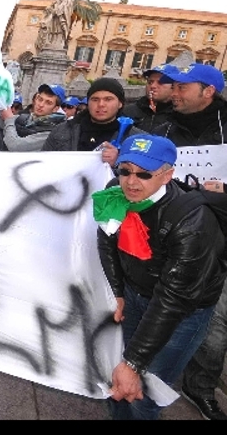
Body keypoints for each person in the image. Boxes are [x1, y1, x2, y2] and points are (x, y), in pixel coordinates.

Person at [93, 134, 227, 420]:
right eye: (125, 170)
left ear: (168, 175)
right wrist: (117, 292)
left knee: (147, 388)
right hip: (134, 291)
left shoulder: (192, 222)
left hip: (183, 312)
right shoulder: (116, 190)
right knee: (121, 375)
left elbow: (173, 299)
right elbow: (107, 240)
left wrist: (133, 363)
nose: (131, 181)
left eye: (144, 173)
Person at [149, 62, 227, 420]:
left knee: (215, 324)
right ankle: (144, 372)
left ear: (208, 91)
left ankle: (200, 388)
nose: (173, 93)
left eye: (182, 87)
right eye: (172, 86)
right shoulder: (162, 124)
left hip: (221, 241)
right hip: (170, 237)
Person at [42, 78, 144, 166]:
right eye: (95, 99)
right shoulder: (62, 131)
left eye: (108, 99)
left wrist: (119, 163)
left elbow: (147, 178)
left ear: (120, 103)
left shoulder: (137, 139)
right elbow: (43, 164)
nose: (101, 104)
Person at [0, 83, 67, 152]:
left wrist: (9, 120)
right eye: (40, 99)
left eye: (48, 103)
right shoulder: (23, 118)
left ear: (56, 108)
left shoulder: (53, 131)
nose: (41, 105)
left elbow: (16, 147)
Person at [122, 65, 176, 132]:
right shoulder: (128, 112)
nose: (152, 86)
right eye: (150, 82)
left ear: (174, 86)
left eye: (160, 82)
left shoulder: (178, 117)